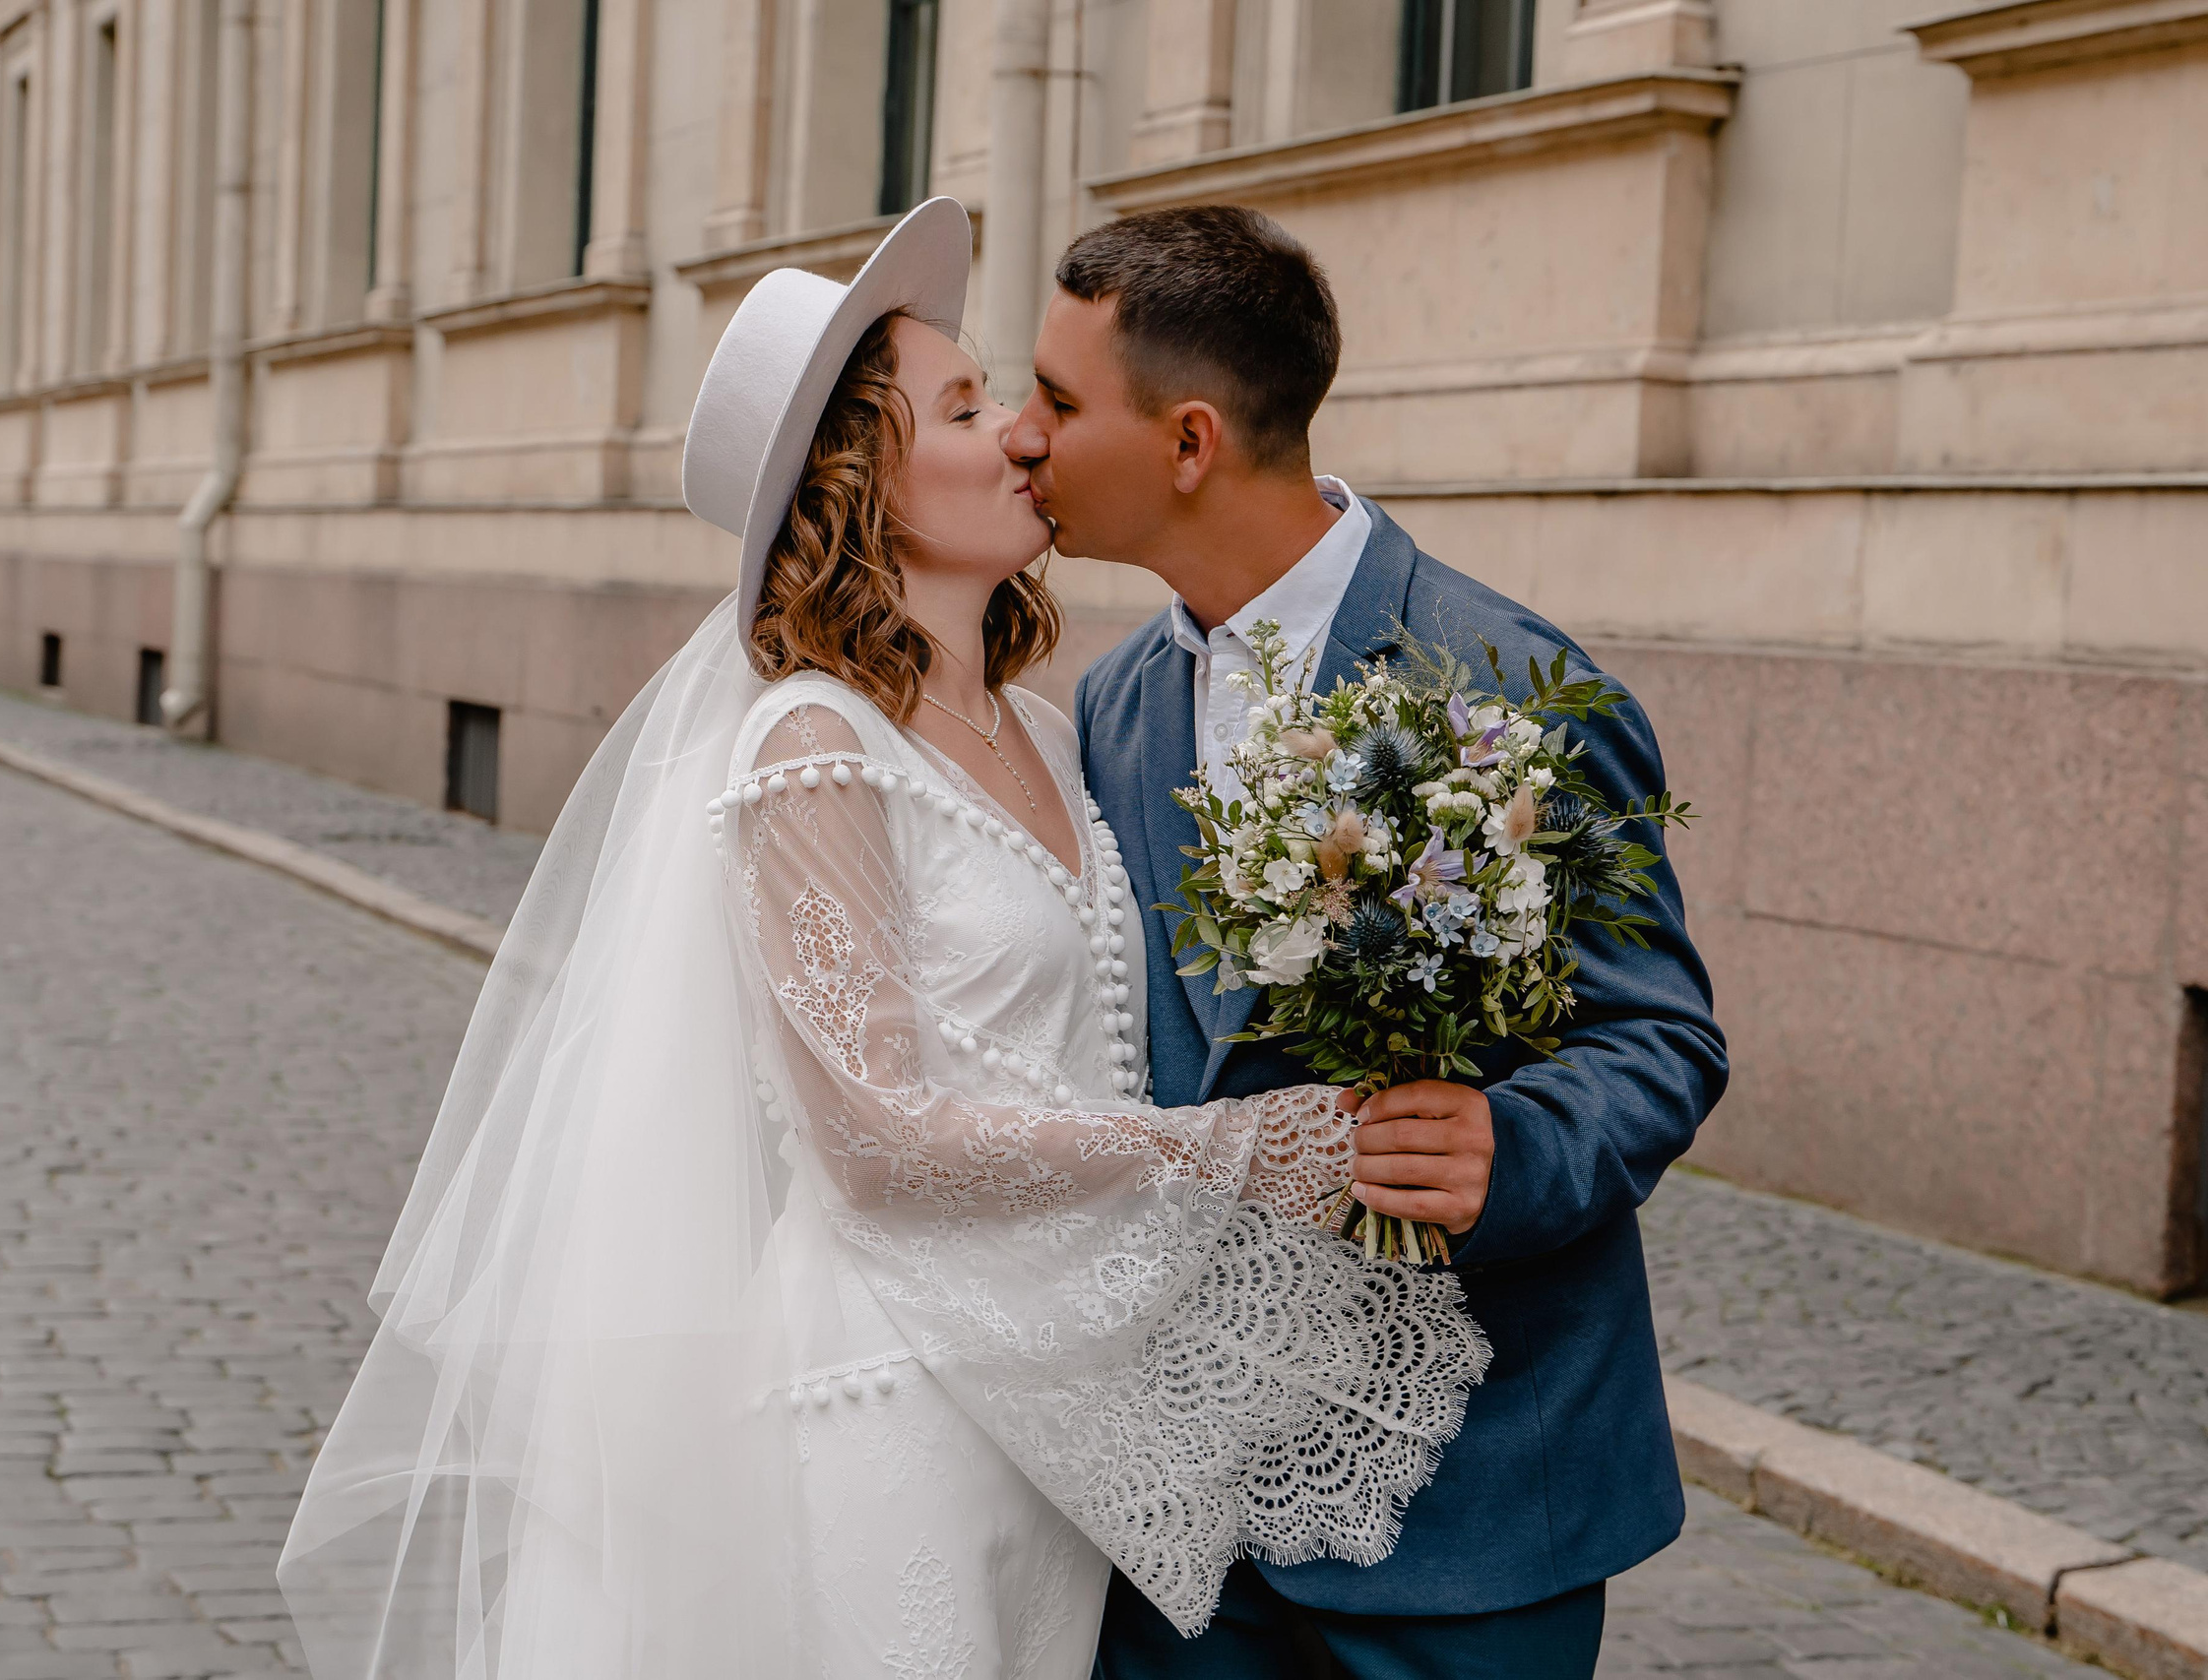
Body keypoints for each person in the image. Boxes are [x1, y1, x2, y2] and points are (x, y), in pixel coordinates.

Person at [277, 199, 1489, 1680]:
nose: (1024, 437)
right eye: (971, 406)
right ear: (864, 481)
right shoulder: (812, 744)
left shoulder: (1057, 729)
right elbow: (869, 1135)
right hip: (887, 1401)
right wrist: (1242, 1152)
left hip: (1046, 1411)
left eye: (1022, 399)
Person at [1008, 204, 1730, 1679]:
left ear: (1190, 441)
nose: (1022, 436)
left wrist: (1509, 1147)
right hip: (1186, 1516)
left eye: (1058, 401)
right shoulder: (1116, 698)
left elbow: (1659, 1037)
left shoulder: (1514, 685)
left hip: (1470, 1515)